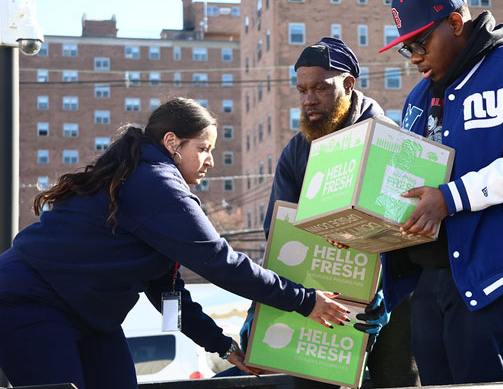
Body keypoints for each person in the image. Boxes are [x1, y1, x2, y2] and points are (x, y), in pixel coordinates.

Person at [0, 98, 350, 389]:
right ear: (172, 143)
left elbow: (166, 292)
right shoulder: (157, 185)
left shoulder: (149, 185)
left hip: (90, 317)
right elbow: (220, 261)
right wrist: (303, 300)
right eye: (203, 149)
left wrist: (221, 345)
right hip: (31, 301)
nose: (210, 160)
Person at [377, 0, 503, 385]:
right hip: (431, 274)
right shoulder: (418, 96)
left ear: (454, 23)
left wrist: (448, 199)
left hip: (496, 264)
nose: (414, 57)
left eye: (420, 42)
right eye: (406, 48)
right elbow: (408, 181)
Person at [258, 37, 419, 387]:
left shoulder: (388, 138)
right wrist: (263, 303)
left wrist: (386, 290)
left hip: (388, 300)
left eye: (319, 88)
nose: (308, 100)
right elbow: (278, 230)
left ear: (348, 84)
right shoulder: (296, 151)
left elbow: (408, 224)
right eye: (301, 90)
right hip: (322, 297)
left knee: (396, 382)